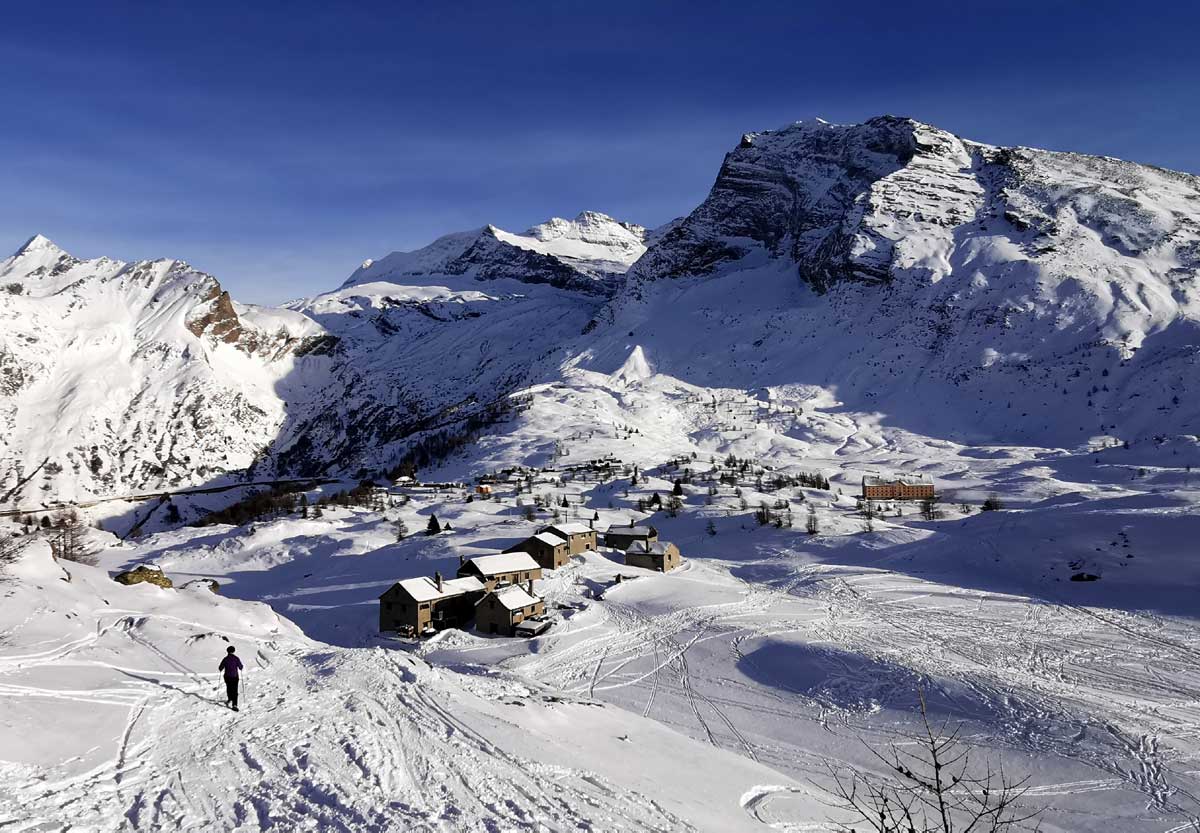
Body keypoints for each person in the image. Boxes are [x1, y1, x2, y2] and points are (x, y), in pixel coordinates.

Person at [218, 645, 244, 711]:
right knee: (235, 690)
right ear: (233, 651)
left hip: (227, 676)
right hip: (235, 676)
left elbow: (220, 668)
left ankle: (230, 699)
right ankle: (234, 704)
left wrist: (221, 668)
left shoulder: (225, 659)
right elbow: (240, 667)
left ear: (227, 651)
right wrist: (241, 667)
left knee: (229, 688)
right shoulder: (236, 658)